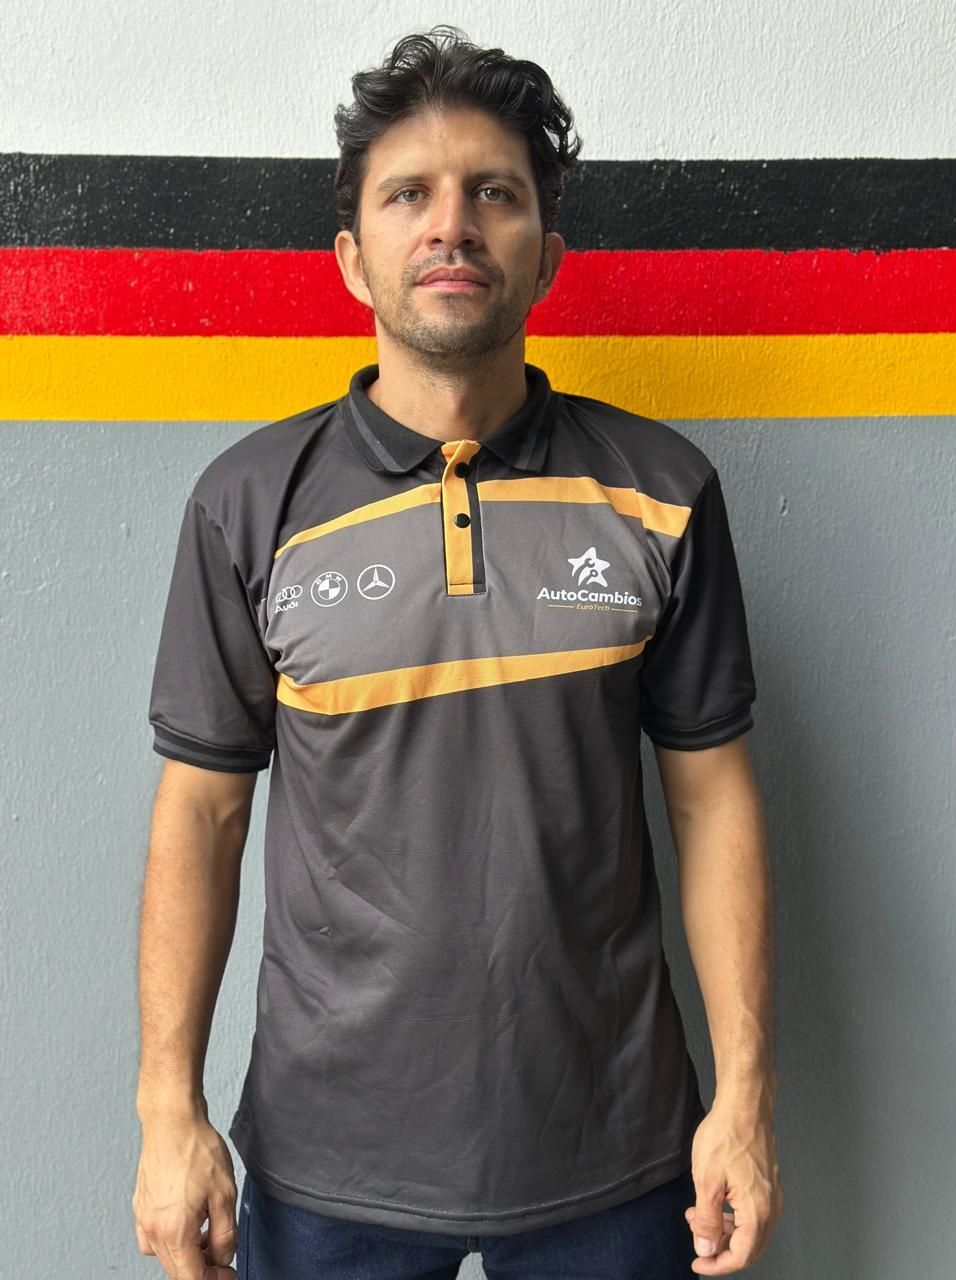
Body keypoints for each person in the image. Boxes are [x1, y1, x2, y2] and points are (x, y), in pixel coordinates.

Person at [132, 23, 783, 1280]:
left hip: (618, 1153)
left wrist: (745, 1097)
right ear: (351, 256)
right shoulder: (248, 505)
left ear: (545, 254)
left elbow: (713, 802)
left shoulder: (662, 491)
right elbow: (201, 816)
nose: (453, 225)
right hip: (330, 1168)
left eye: (496, 193)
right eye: (409, 195)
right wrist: (169, 1111)